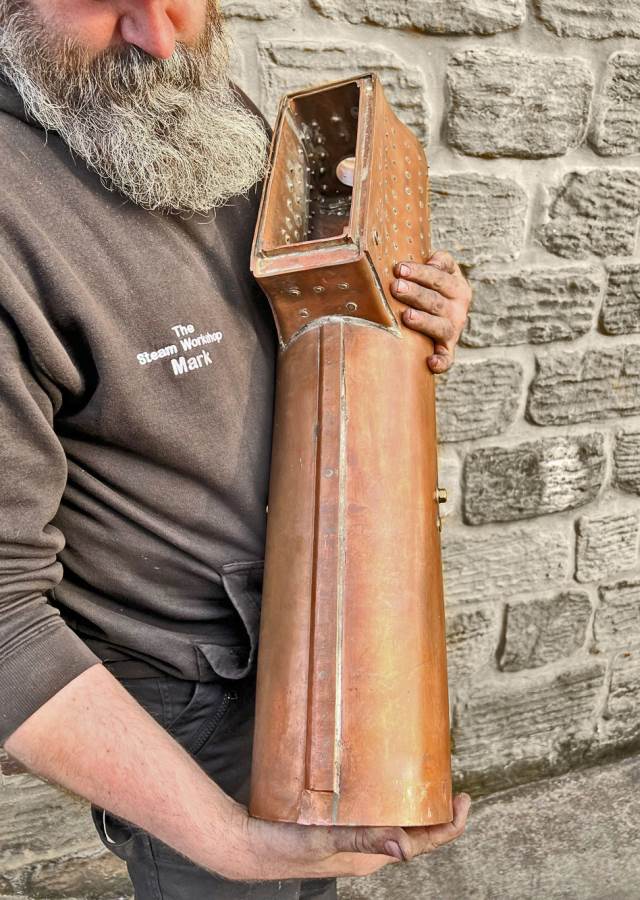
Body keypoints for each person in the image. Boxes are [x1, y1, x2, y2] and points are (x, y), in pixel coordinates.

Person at [0, 2, 473, 898]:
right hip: (189, 711)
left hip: (337, 629)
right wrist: (230, 842)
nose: (159, 35)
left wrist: (411, 313)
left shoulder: (186, 100)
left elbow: (298, 311)